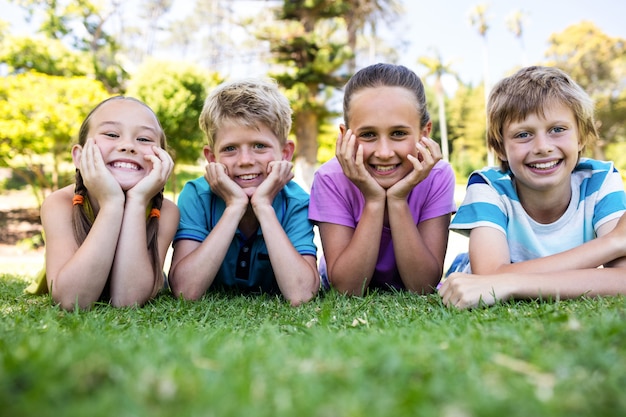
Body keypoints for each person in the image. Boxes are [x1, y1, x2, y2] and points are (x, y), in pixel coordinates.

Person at [439, 66, 626, 309]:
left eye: (557, 130)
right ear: (499, 147)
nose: (542, 147)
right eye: (523, 134)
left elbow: (622, 278)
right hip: (468, 276)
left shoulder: (600, 179)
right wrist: (610, 244)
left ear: (580, 138)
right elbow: (489, 277)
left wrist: (510, 283)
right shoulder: (488, 186)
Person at [168, 78, 319, 306]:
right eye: (230, 149)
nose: (246, 161)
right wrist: (235, 206)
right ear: (212, 158)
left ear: (285, 153)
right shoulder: (196, 196)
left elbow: (302, 294)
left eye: (259, 146)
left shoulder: (296, 202)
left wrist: (264, 207)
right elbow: (185, 292)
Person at [308, 63, 457, 295]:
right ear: (345, 136)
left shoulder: (437, 176)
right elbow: (348, 289)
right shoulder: (330, 179)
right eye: (368, 135)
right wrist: (374, 200)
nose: (384, 152)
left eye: (398, 133)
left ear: (424, 133)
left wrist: (397, 200)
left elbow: (423, 286)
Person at [27, 96, 179, 310]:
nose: (128, 146)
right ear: (79, 157)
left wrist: (136, 202)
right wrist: (112, 202)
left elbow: (128, 299)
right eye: (111, 134)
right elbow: (71, 300)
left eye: (144, 139)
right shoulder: (59, 204)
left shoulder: (166, 211)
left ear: (163, 158)